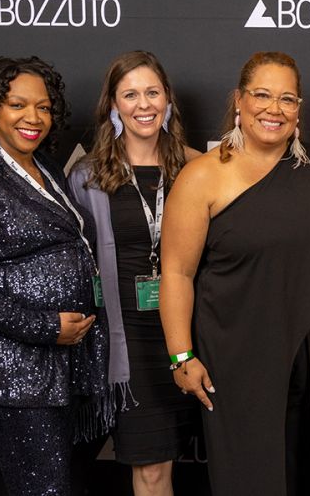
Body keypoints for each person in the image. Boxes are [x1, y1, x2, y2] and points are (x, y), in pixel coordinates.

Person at [159, 51, 310, 496]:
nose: (274, 108)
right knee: (249, 476)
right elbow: (176, 273)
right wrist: (181, 356)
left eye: (287, 98)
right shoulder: (202, 176)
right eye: (262, 95)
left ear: (299, 109)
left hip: (308, 353)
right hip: (234, 356)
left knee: (305, 471)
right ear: (239, 101)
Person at [0, 56, 108, 496]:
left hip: (65, 364)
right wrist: (45, 327)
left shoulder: (44, 166)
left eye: (44, 107)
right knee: (43, 488)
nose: (34, 118)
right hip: (15, 371)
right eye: (17, 105)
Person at [68, 50, 201, 496]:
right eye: (130, 94)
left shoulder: (197, 168)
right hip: (131, 341)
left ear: (167, 100)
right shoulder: (89, 176)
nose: (143, 104)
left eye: (152, 92)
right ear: (113, 105)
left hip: (192, 332)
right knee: (150, 469)